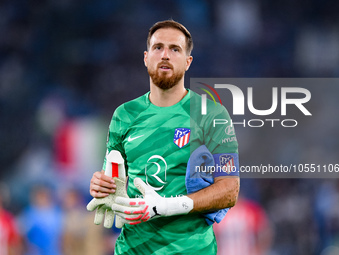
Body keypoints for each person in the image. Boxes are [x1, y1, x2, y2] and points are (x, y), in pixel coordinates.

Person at [89, 19, 240, 254]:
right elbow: (113, 177)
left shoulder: (212, 114)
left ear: (188, 62)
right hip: (133, 249)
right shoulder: (125, 114)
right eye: (158, 47)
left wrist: (166, 206)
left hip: (191, 249)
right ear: (146, 57)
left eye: (175, 49)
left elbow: (230, 190)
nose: (165, 55)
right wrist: (101, 185)